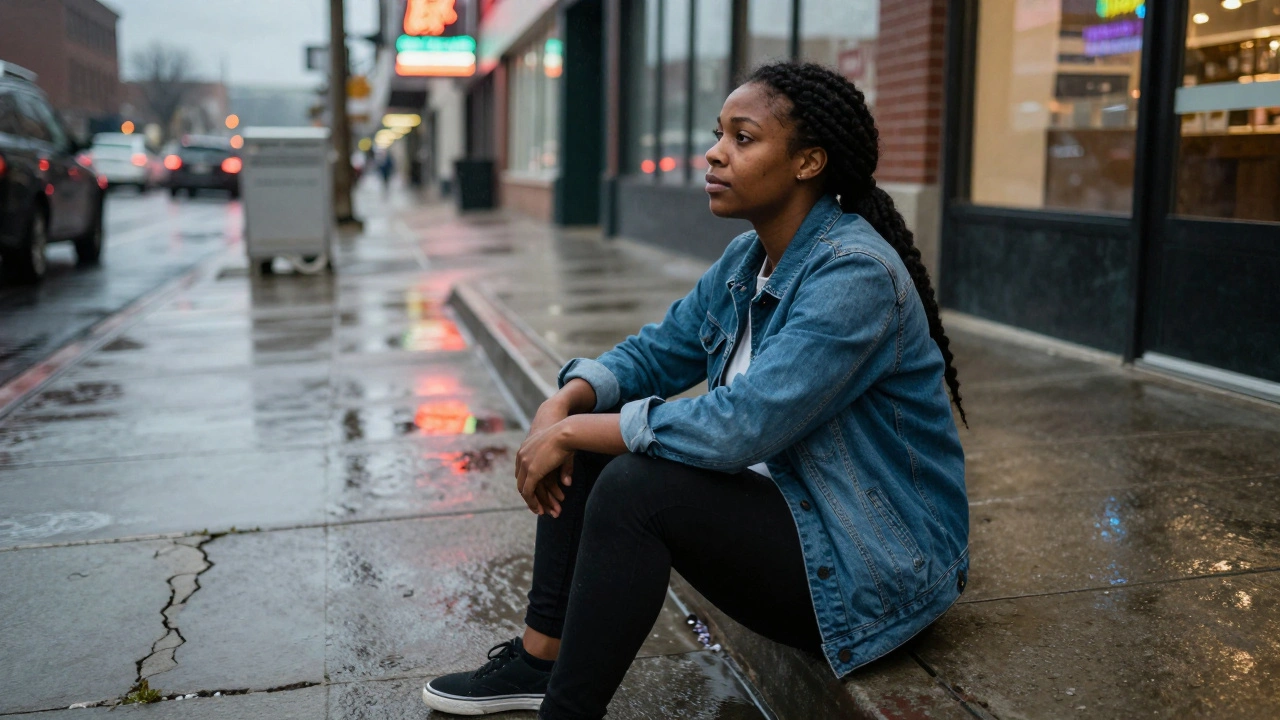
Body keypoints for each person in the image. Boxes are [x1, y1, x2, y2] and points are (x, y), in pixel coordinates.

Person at [422, 61, 969, 719]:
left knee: (634, 486)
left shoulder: (855, 276)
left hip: (872, 564)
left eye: (743, 138)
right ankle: (541, 663)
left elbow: (742, 425)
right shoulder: (747, 259)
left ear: (808, 162)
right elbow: (656, 351)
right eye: (719, 134)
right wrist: (565, 401)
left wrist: (571, 431)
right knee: (603, 434)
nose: (714, 152)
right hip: (791, 513)